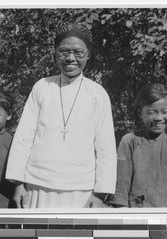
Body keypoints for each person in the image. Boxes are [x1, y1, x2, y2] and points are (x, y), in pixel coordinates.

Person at [6, 23, 117, 208]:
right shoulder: (41, 87)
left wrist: (100, 193)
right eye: (64, 51)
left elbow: (105, 148)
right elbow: (23, 138)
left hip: (81, 190)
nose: (71, 58)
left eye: (78, 52)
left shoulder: (97, 93)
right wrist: (18, 184)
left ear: (88, 55)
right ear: (55, 54)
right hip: (38, 185)